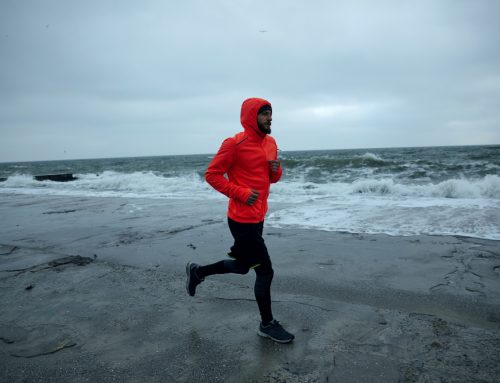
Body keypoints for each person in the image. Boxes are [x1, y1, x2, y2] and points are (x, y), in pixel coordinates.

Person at [186, 97, 295, 343]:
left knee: (242, 266)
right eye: (264, 113)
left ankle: (198, 272)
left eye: (271, 113)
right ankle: (266, 324)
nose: (270, 118)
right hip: (241, 220)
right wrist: (241, 193)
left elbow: (271, 178)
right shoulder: (234, 143)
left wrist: (276, 170)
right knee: (265, 271)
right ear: (251, 117)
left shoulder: (271, 142)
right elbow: (212, 175)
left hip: (258, 217)